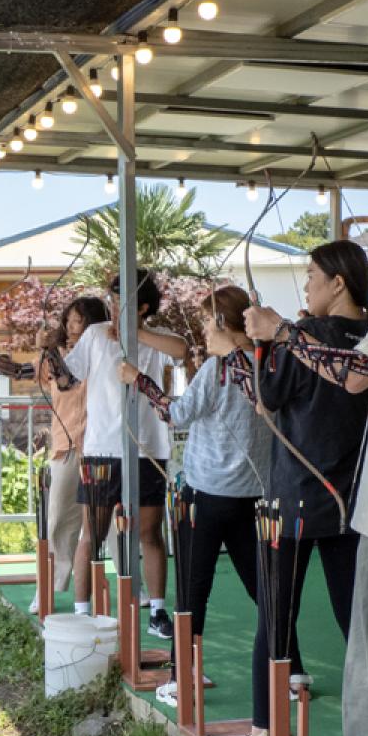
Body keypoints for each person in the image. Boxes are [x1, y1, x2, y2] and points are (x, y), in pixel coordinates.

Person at [243, 243, 368, 736]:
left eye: (314, 277)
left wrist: (264, 342)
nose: (308, 285)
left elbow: (268, 398)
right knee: (356, 632)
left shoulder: (310, 334)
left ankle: (264, 735)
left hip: (296, 492)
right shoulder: (363, 335)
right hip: (348, 497)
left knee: (276, 615)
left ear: (339, 283)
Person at [119, 286, 293, 706]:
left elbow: (175, 413)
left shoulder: (217, 370)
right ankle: (291, 673)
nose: (201, 330)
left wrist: (138, 380)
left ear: (221, 323)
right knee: (263, 588)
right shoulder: (266, 365)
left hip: (206, 496)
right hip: (253, 496)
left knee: (194, 590)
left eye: (204, 321)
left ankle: (182, 679)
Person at [58, 269, 188, 637]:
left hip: (147, 447)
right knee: (92, 533)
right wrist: (51, 348)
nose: (115, 307)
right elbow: (68, 377)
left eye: (125, 301)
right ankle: (83, 613)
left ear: (144, 307)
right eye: (114, 299)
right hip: (101, 447)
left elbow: (182, 351)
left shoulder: (156, 339)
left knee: (149, 532)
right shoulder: (96, 334)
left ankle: (158, 611)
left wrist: (136, 334)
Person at [0, 295, 107, 614]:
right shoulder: (59, 354)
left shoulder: (104, 351)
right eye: (70, 320)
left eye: (79, 321)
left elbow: (69, 379)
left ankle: (135, 585)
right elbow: (25, 372)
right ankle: (48, 587)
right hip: (67, 444)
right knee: (58, 520)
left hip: (103, 443)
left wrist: (49, 349)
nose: (72, 326)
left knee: (114, 521)